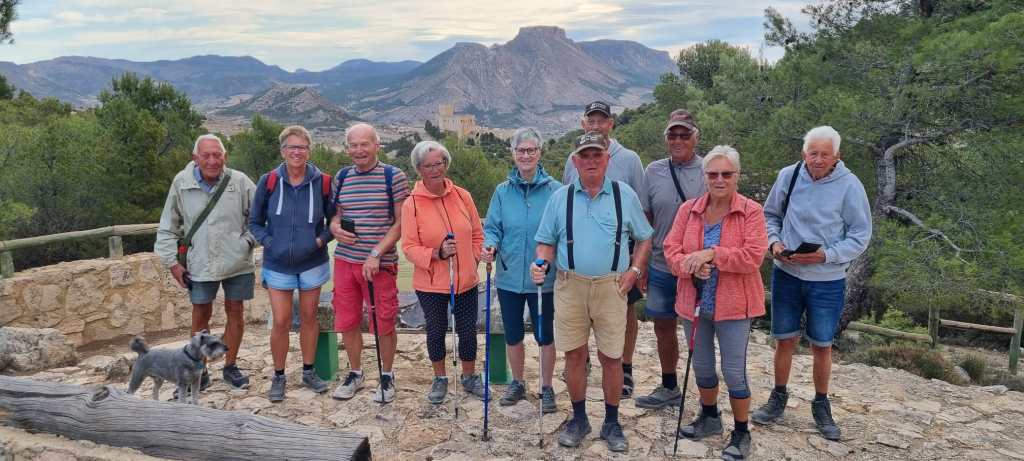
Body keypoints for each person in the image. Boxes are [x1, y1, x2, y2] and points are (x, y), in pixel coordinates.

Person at [534, 131, 653, 452]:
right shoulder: (560, 198)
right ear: (575, 162)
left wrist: (635, 271)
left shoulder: (624, 195)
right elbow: (545, 242)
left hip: (611, 286)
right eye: (584, 156)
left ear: (606, 159)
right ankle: (579, 418)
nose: (590, 161)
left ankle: (612, 421)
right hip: (570, 285)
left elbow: (645, 237)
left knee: (612, 357)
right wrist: (540, 262)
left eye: (596, 155)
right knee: (574, 355)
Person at [752, 126, 872, 441]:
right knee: (784, 339)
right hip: (787, 273)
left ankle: (821, 405)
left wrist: (826, 256)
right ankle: (778, 397)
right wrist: (774, 243)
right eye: (813, 153)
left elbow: (860, 234)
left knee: (822, 344)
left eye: (825, 154)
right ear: (804, 153)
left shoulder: (850, 186)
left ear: (837, 156)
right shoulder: (788, 176)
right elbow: (769, 215)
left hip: (827, 280)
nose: (818, 160)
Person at [663, 145, 768, 461]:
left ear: (737, 175)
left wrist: (712, 254)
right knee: (703, 365)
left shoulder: (751, 211)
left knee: (734, 371)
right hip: (693, 303)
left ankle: (741, 431)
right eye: (713, 174)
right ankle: (709, 416)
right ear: (704, 176)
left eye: (726, 173)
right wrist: (690, 266)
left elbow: (753, 256)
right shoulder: (688, 210)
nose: (719, 179)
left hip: (735, 306)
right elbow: (671, 250)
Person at [155, 134, 257, 394]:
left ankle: (230, 366)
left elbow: (260, 217)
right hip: (199, 261)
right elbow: (167, 226)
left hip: (237, 261)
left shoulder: (240, 181)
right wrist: (172, 263)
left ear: (225, 156)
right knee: (200, 315)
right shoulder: (182, 183)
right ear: (195, 158)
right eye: (206, 155)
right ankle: (200, 372)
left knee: (236, 311)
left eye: (217, 155)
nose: (212, 160)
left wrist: (246, 242)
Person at [562, 101, 646, 398]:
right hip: (579, 260)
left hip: (622, 255)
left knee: (627, 312)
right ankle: (581, 362)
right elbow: (567, 202)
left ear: (611, 123)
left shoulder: (630, 159)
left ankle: (625, 366)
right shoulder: (572, 159)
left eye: (602, 120)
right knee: (582, 314)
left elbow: (643, 211)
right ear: (583, 123)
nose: (596, 125)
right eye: (591, 120)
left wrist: (638, 265)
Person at [249, 125, 336, 402]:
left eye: (302, 147)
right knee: (282, 320)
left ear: (309, 151)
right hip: (277, 263)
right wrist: (270, 243)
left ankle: (309, 371)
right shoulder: (268, 181)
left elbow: (334, 221)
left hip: (312, 262)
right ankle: (279, 375)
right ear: (282, 151)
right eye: (291, 147)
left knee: (309, 317)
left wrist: (319, 241)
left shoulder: (323, 182)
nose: (296, 152)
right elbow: (254, 222)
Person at [481, 127, 561, 412]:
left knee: (545, 335)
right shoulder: (502, 192)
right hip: (509, 276)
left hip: (544, 278)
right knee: (513, 333)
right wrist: (490, 245)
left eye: (531, 150)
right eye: (520, 150)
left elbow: (561, 231)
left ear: (540, 152)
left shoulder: (556, 191)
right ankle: (517, 382)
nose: (526, 155)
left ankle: (546, 386)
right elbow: (493, 227)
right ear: (513, 153)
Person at [400, 140, 487, 404]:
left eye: (439, 163)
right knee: (436, 331)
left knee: (468, 330)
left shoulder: (463, 196)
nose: (435, 169)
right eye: (428, 166)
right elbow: (409, 247)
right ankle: (440, 378)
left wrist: (472, 258)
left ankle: (469, 376)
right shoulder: (412, 204)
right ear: (419, 169)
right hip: (431, 283)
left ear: (446, 164)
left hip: (466, 281)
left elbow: (477, 234)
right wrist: (436, 253)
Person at [328, 123, 409, 404]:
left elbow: (401, 223)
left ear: (377, 146)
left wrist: (376, 253)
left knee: (383, 321)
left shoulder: (393, 176)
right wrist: (335, 228)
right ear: (347, 148)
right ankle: (355, 373)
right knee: (347, 320)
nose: (359, 150)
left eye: (365, 144)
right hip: (345, 261)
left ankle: (386, 375)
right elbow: (337, 216)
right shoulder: (342, 177)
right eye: (354, 145)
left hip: (379, 264)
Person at [634, 110, 707, 410]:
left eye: (684, 135)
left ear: (695, 138)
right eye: (672, 135)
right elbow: (645, 219)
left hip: (696, 267)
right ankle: (669, 385)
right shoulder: (653, 171)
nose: (678, 140)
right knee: (663, 326)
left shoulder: (709, 170)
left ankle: (706, 393)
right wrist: (640, 263)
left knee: (699, 330)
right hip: (661, 264)